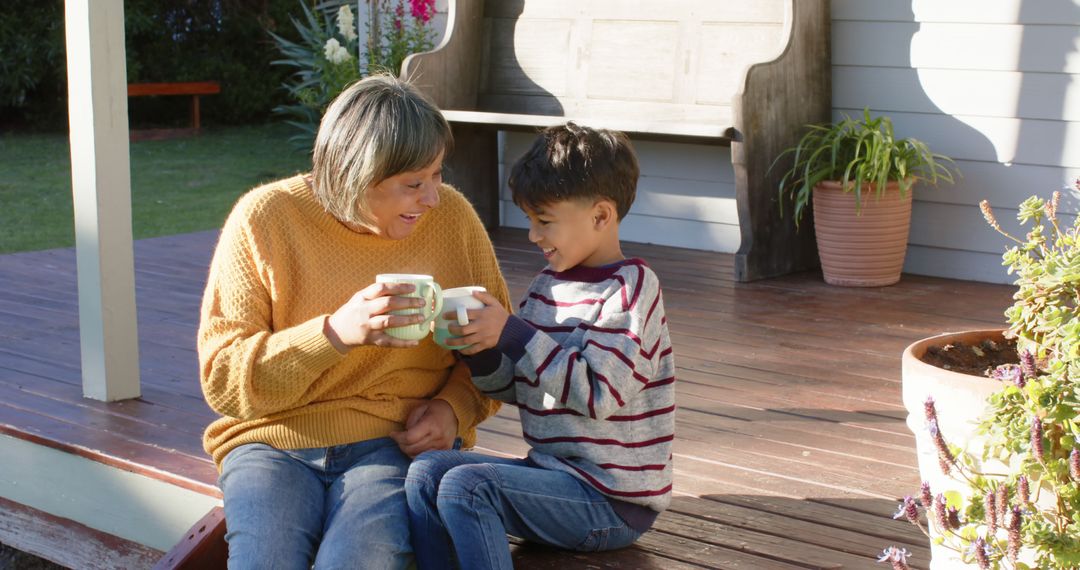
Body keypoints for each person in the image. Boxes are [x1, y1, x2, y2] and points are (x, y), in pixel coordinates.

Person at [197, 74, 511, 569]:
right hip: (273, 444)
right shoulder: (265, 218)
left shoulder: (453, 219)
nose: (432, 197)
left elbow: (496, 351)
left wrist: (453, 410)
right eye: (414, 184)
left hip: (389, 445)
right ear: (357, 172)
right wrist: (334, 334)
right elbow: (223, 380)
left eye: (437, 175)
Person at [405, 122, 676, 569]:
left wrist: (513, 333)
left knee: (467, 487)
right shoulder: (545, 287)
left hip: (610, 498)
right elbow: (515, 387)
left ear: (601, 216)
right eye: (530, 221)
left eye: (544, 221)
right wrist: (480, 349)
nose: (533, 235)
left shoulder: (631, 288)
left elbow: (597, 394)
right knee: (428, 472)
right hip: (551, 475)